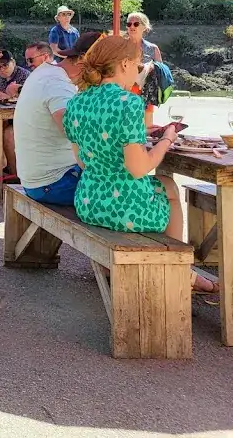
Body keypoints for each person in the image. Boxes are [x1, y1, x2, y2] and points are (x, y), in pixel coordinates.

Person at [63, 36, 216, 292]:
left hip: (89, 202)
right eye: (137, 64)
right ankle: (176, 269)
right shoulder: (129, 103)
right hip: (125, 209)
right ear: (124, 64)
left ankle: (175, 269)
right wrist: (166, 139)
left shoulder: (77, 101)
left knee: (164, 183)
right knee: (169, 188)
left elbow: (83, 161)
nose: (139, 69)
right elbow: (138, 169)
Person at [13, 33, 101, 204]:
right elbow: (75, 132)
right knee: (136, 192)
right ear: (84, 61)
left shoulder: (46, 73)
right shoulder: (58, 83)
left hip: (39, 179)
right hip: (53, 183)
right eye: (103, 68)